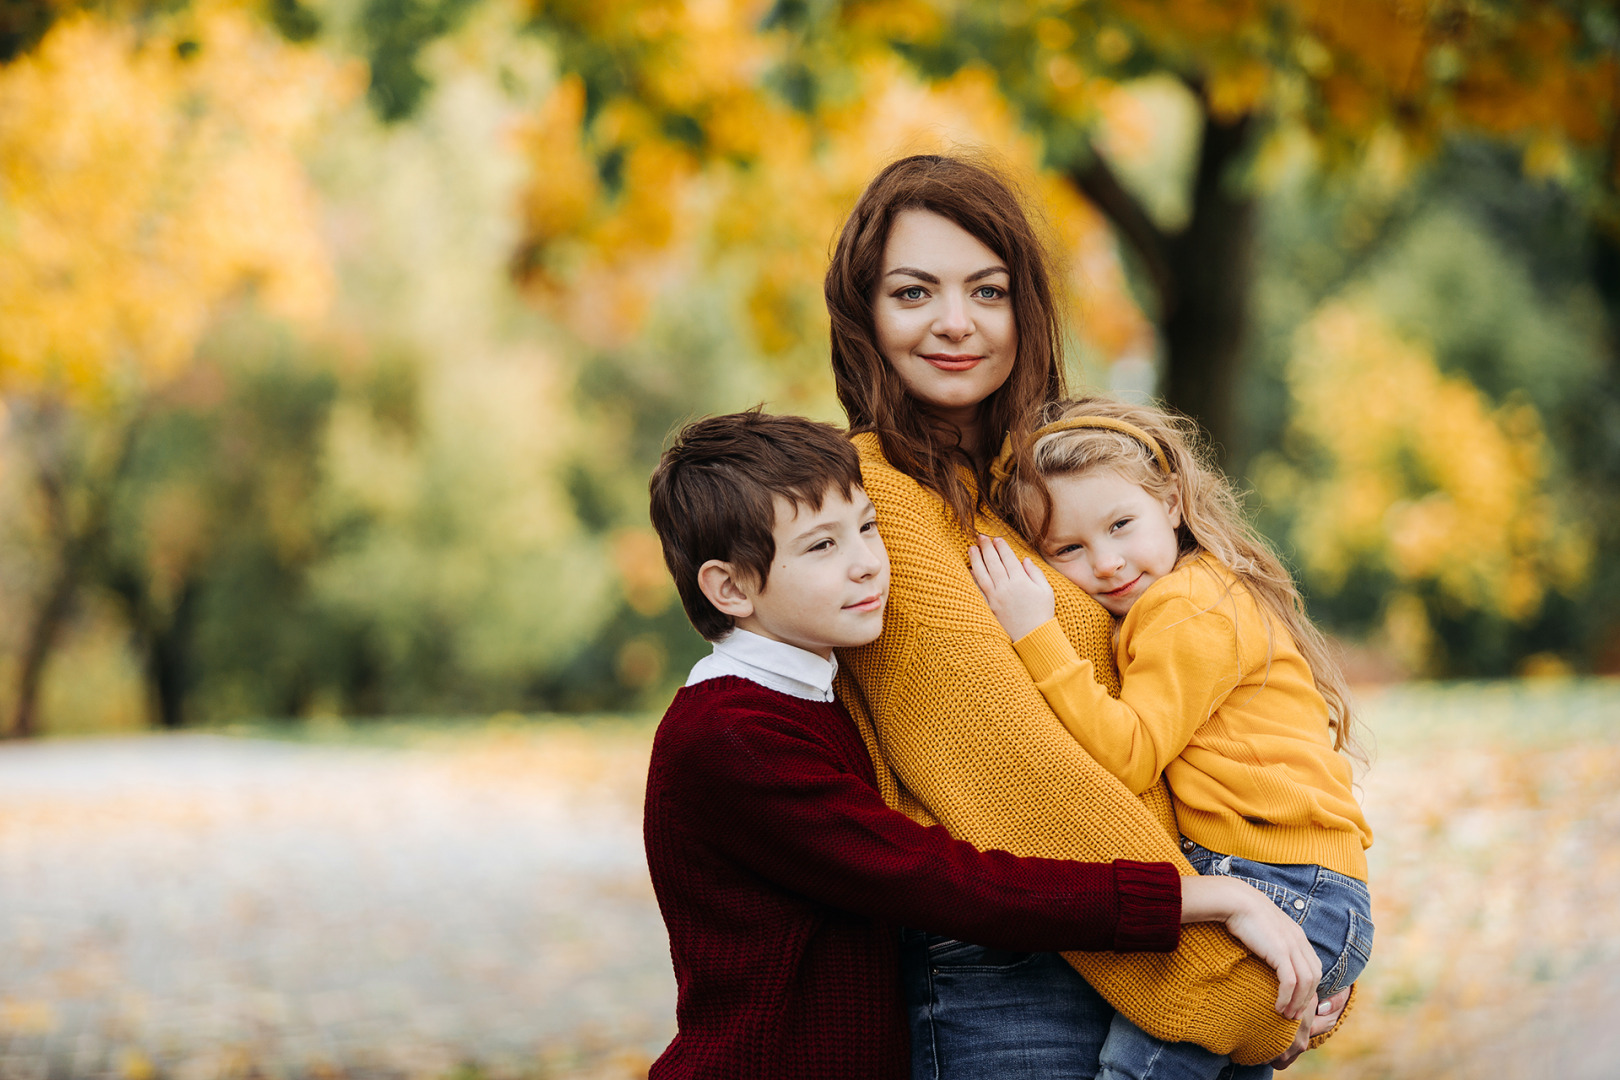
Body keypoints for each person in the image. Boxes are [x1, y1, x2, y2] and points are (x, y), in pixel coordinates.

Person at [824, 152, 1353, 1078]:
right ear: (864, 315)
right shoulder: (879, 496)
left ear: (1025, 311)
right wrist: (1236, 976)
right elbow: (1012, 776)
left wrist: (1306, 917)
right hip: (1018, 982)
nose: (956, 323)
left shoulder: (1050, 488)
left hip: (1172, 937)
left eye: (987, 292)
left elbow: (1226, 710)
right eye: (913, 293)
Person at [642, 408, 1321, 1080]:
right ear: (729, 587)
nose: (868, 565)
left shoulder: (820, 699)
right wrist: (1204, 899)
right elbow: (935, 878)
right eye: (823, 546)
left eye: (868, 528)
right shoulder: (730, 737)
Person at [969, 396, 1375, 1079]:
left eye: (1121, 524)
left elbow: (1129, 754)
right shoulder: (1209, 586)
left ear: (1173, 503)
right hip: (1315, 886)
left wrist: (1034, 631)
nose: (1105, 562)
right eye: (1067, 548)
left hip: (1278, 882)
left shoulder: (1183, 608)